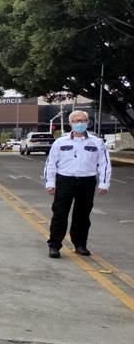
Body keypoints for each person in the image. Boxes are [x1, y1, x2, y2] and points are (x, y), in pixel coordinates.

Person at [44, 111, 111, 259]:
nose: (79, 123)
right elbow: (51, 164)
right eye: (76, 120)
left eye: (82, 120)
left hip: (87, 180)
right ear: (70, 123)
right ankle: (54, 245)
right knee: (60, 214)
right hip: (65, 180)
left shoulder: (96, 142)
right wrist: (50, 182)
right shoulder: (60, 142)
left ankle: (80, 244)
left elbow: (104, 164)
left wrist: (104, 183)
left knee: (82, 215)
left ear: (87, 122)